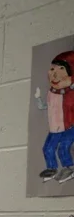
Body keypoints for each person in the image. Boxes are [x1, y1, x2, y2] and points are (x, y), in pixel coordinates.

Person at [34, 50, 74, 183]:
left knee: (63, 148)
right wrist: (39, 99)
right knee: (47, 148)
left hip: (69, 127)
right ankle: (52, 168)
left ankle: (69, 167)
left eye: (61, 68)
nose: (54, 74)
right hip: (55, 128)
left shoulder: (70, 93)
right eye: (52, 69)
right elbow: (47, 107)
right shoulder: (52, 93)